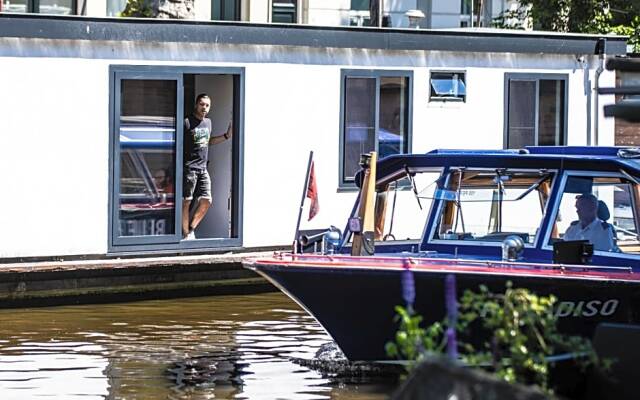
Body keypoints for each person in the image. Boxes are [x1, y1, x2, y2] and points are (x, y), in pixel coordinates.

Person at [182, 93, 232, 240]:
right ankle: (185, 235)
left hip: (203, 168)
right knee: (186, 201)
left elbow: (207, 142)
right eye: (202, 104)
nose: (204, 107)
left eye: (207, 105)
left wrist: (226, 136)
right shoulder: (187, 122)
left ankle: (191, 229)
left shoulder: (208, 123)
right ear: (196, 105)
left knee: (207, 200)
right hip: (189, 168)